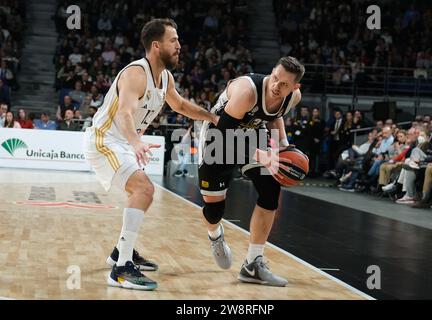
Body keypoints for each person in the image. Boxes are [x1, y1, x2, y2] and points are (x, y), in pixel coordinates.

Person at [83, 18, 217, 291]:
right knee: (144, 189)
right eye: (173, 40)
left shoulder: (164, 77)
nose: (180, 45)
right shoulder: (136, 74)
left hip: (122, 143)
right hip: (104, 141)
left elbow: (179, 104)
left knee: (144, 193)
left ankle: (121, 251)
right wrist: (135, 142)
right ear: (156, 46)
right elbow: (124, 113)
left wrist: (211, 117)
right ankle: (120, 270)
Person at [198, 56, 304, 287]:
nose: (277, 86)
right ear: (271, 72)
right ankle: (215, 235)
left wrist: (284, 146)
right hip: (218, 136)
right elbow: (225, 133)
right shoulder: (247, 91)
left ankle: (252, 264)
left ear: (295, 87)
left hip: (254, 134)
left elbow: (276, 115)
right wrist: (261, 155)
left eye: (285, 84)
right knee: (214, 209)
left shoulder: (293, 97)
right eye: (275, 78)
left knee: (270, 190)